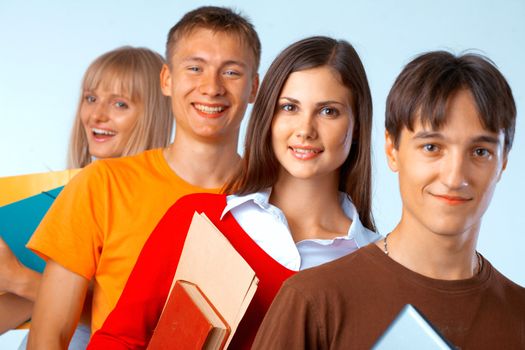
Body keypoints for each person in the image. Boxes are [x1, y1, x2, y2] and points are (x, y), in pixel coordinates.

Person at [88, 36, 381, 349]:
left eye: (328, 112)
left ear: (357, 123)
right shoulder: (198, 220)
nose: (305, 129)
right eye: (289, 107)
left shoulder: (376, 267)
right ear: (268, 116)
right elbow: (118, 339)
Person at [252, 51, 525, 349]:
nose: (454, 177)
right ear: (392, 149)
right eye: (432, 147)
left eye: (480, 152)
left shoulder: (518, 315)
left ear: (503, 162)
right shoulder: (314, 301)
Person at [26, 6, 260, 348]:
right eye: (195, 68)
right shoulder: (102, 184)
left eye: (231, 72)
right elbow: (50, 334)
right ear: (167, 80)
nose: (211, 87)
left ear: (254, 88)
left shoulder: (273, 198)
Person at [0, 45, 172, 336]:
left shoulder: (165, 206)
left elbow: (138, 320)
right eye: (91, 98)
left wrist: (19, 279)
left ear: (153, 113)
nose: (97, 115)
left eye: (120, 104)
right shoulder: (64, 200)